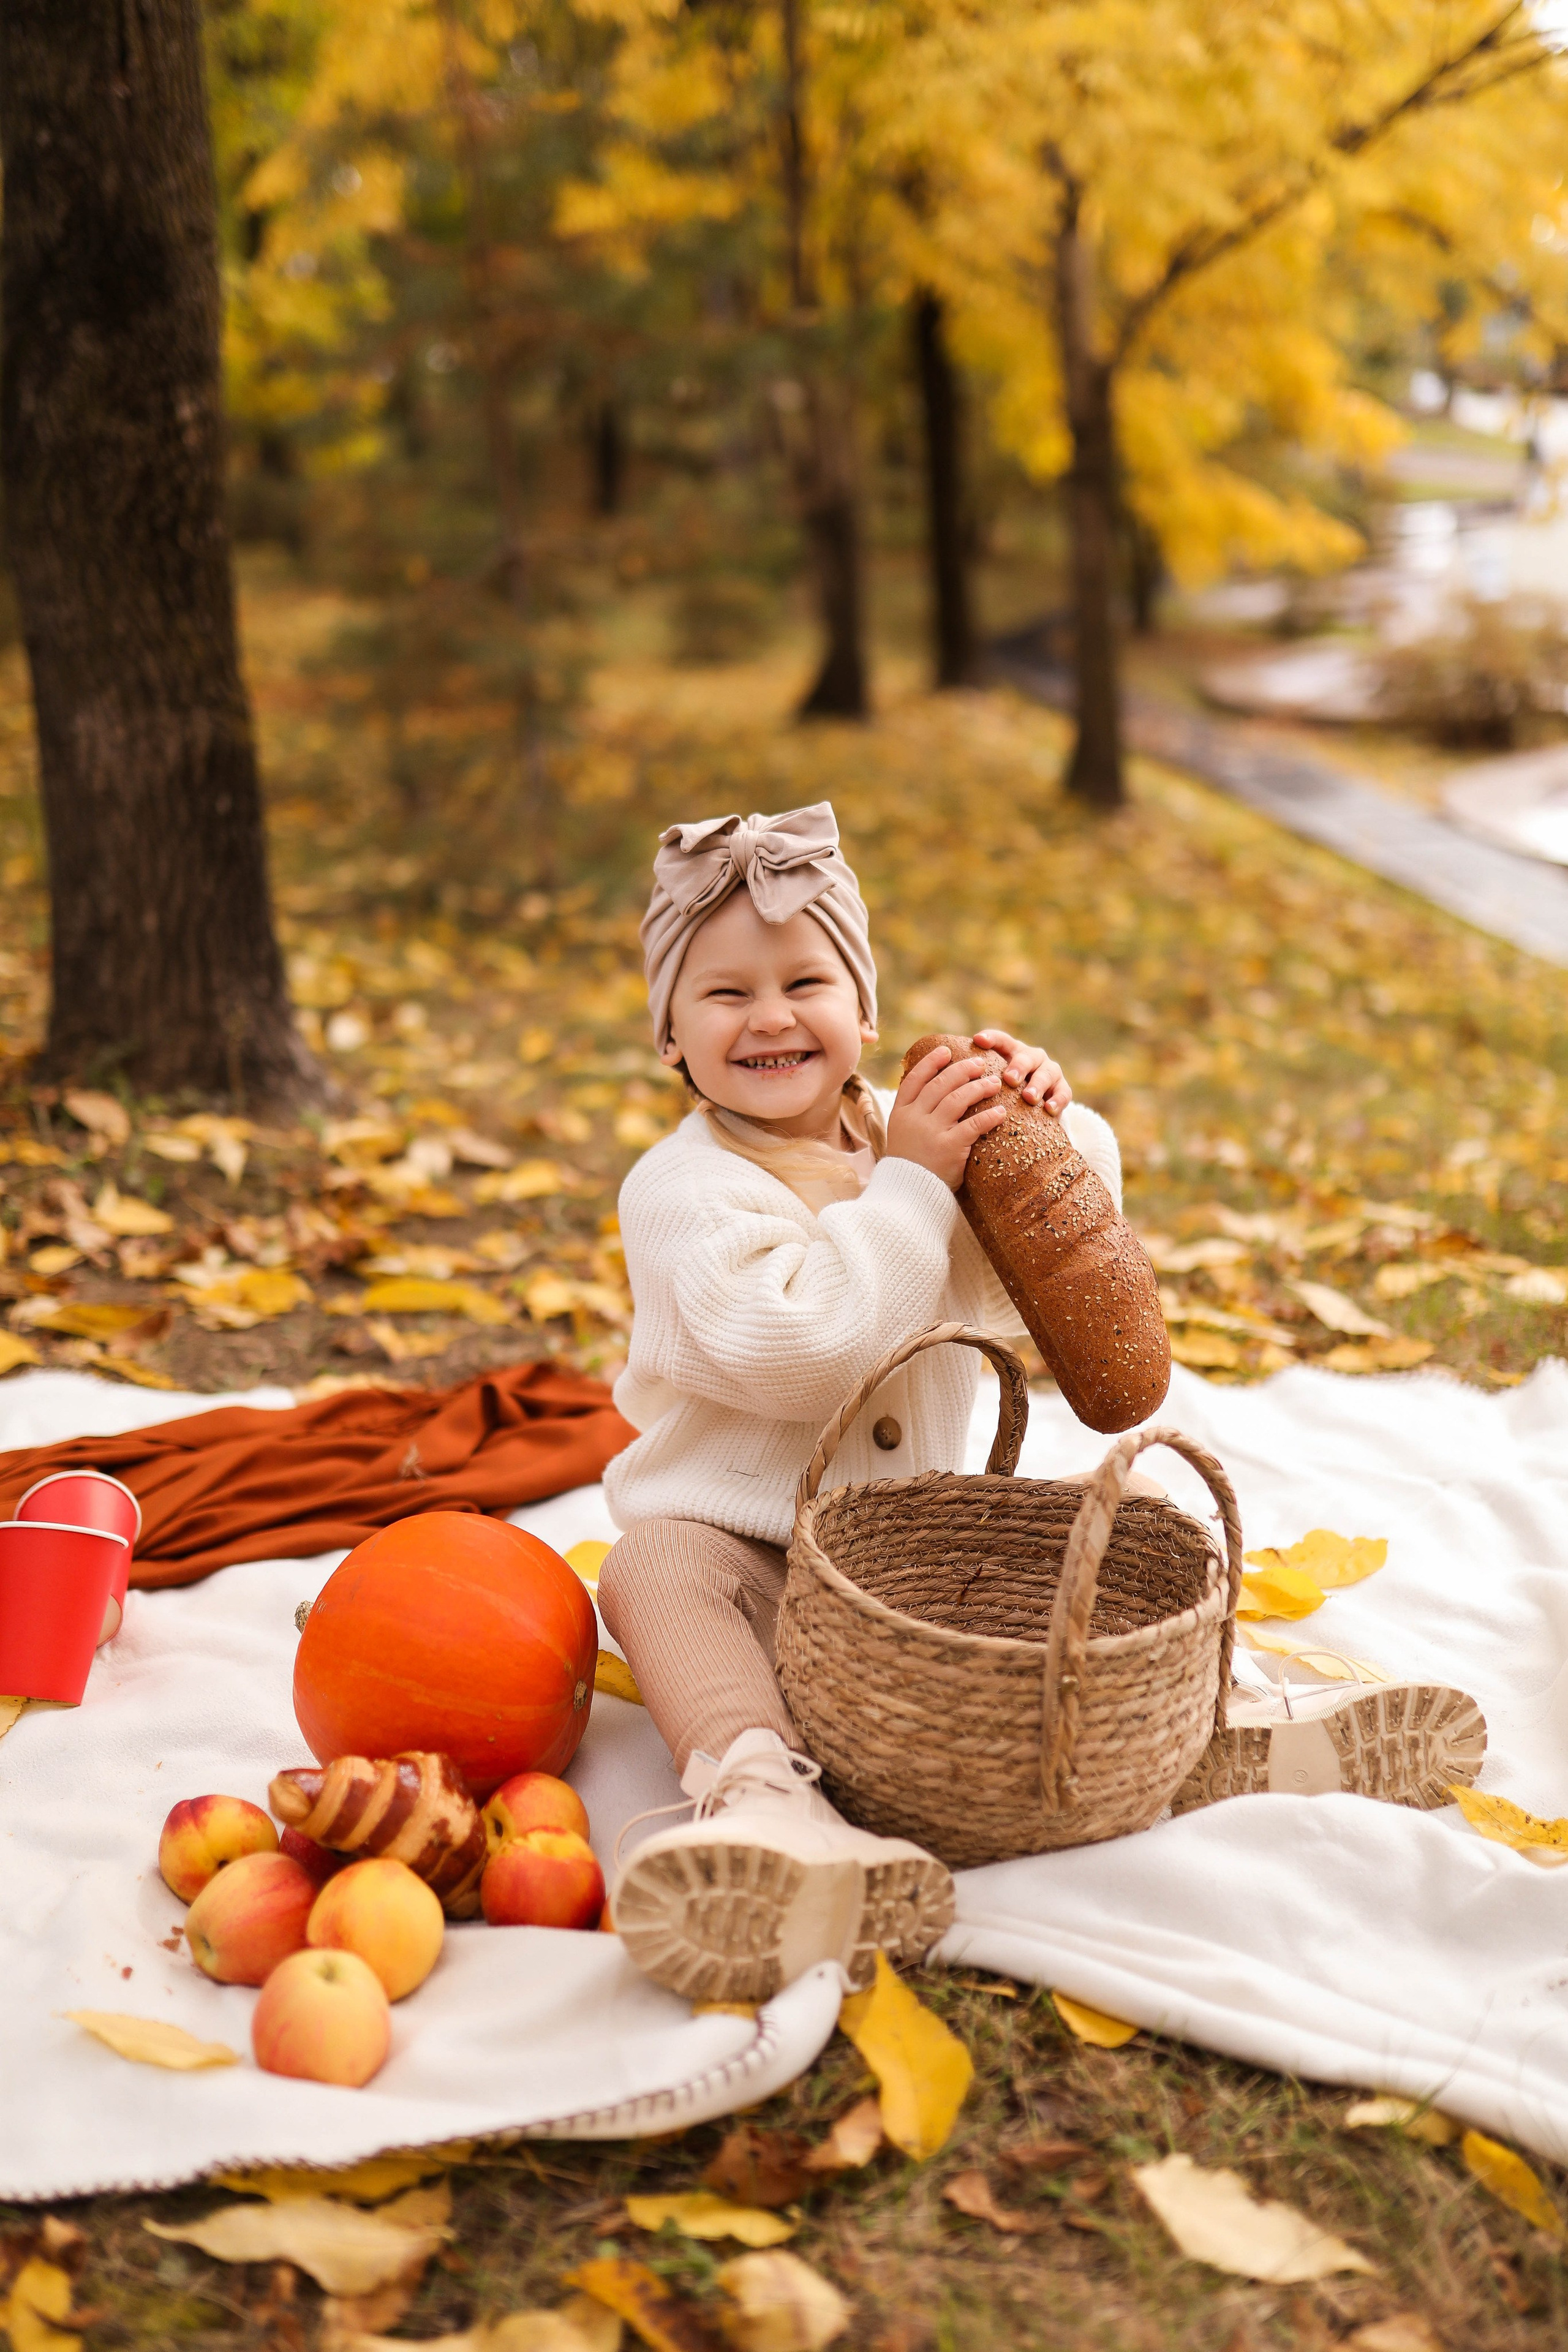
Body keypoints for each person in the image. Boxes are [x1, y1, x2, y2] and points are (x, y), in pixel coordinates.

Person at [598, 802, 1126, 2002]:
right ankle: (761, 1792)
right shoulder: (677, 1191)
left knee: (1097, 1530)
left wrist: (1048, 1132)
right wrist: (909, 1186)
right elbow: (801, 1346)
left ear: (863, 1009)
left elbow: (1047, 1267)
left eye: (805, 981)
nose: (771, 1016)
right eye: (723, 995)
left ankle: (1179, 1722)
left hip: (914, 1563)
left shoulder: (917, 1134)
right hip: (756, 1557)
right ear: (669, 1037)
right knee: (650, 1570)